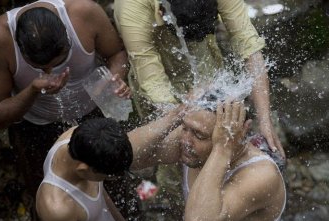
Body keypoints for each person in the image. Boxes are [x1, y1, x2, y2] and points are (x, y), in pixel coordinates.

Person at [0, 0, 132, 221]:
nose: (51, 73)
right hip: (38, 128)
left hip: (92, 117)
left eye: (58, 62)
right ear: (21, 48)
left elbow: (118, 54)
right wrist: (33, 91)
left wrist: (112, 80)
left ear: (68, 36)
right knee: (50, 206)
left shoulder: (83, 13)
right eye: (41, 67)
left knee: (117, 186)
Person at [113, 0, 284, 156]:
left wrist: (265, 121)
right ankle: (175, 184)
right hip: (157, 72)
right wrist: (184, 125)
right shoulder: (131, 6)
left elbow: (250, 49)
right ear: (164, 12)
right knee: (180, 152)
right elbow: (153, 83)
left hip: (204, 62)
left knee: (220, 137)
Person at [131, 100, 286, 221]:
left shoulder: (261, 175)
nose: (185, 141)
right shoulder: (192, 138)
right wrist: (175, 115)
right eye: (185, 128)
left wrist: (223, 149)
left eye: (199, 135)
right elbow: (126, 157)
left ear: (233, 136)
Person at [36, 107, 186, 221]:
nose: (110, 179)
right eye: (107, 176)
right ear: (83, 169)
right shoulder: (57, 208)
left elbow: (100, 194)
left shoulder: (76, 138)